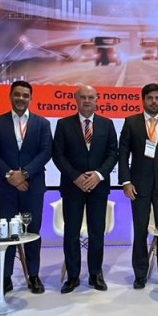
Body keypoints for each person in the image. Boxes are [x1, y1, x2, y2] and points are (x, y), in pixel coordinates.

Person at [0, 80, 52, 296]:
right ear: (10, 96)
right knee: (7, 234)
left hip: (33, 187)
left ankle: (33, 276)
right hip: (6, 189)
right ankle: (5, 279)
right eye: (17, 94)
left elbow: (46, 152)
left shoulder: (42, 123)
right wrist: (10, 175)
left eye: (25, 95)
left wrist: (24, 174)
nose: (21, 98)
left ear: (31, 98)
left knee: (32, 233)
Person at [52, 85, 119, 293]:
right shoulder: (63, 124)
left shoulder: (107, 124)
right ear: (76, 99)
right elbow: (58, 155)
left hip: (98, 186)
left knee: (97, 231)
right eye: (83, 97)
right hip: (73, 186)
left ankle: (95, 274)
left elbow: (113, 154)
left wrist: (98, 175)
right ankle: (72, 276)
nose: (87, 100)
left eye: (91, 97)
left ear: (97, 99)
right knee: (71, 232)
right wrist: (75, 176)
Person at [119, 83, 158, 290]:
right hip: (139, 186)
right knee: (140, 231)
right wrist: (126, 182)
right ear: (143, 100)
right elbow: (123, 154)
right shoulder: (131, 122)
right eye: (150, 98)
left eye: (157, 98)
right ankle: (140, 275)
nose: (154, 102)